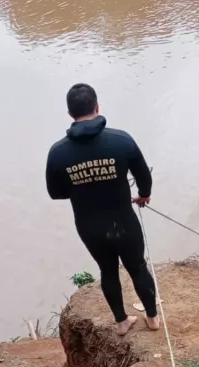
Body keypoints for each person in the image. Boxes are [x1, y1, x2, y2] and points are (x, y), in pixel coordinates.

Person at [46, 83, 160, 336]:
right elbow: (143, 176)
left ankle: (121, 322)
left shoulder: (58, 152)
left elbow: (55, 193)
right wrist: (143, 195)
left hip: (89, 225)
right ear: (97, 107)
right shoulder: (120, 140)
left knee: (107, 270)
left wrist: (79, 186)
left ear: (69, 114)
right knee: (137, 267)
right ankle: (152, 318)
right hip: (123, 222)